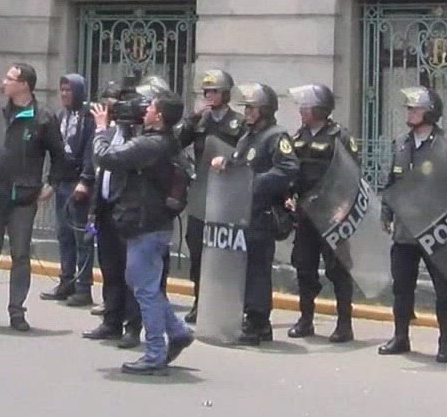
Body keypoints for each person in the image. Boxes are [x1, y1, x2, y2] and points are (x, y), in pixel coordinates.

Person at [91, 85, 195, 375]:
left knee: (146, 290)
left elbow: (107, 157)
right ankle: (178, 332)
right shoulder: (160, 141)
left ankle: (154, 353)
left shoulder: (152, 145)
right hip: (149, 223)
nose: (144, 111)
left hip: (146, 224)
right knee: (142, 283)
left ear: (159, 116)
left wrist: (101, 130)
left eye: (149, 107)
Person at [0, 62, 64, 332]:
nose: (4, 82)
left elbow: (59, 155)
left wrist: (52, 184)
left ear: (24, 84)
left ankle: (16, 310)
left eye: (10, 78)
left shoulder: (43, 116)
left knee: (21, 254)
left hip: (24, 195)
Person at [209, 82, 299, 346]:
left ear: (265, 110)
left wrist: (254, 183)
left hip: (261, 214)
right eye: (246, 107)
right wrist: (227, 165)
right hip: (241, 213)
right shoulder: (247, 136)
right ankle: (251, 319)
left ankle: (259, 322)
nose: (247, 112)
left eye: (252, 107)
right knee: (244, 269)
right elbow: (242, 165)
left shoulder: (276, 136)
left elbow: (288, 168)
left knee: (257, 270)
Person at [378, 85, 447, 362]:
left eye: (415, 109)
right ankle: (400, 336)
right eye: (409, 108)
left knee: (444, 289)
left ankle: (445, 343)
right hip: (405, 231)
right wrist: (386, 212)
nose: (409, 113)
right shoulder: (401, 143)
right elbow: (392, 182)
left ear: (431, 113)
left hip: (437, 231)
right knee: (401, 286)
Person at [285, 83, 359, 343]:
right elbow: (292, 171)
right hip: (306, 215)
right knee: (304, 267)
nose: (301, 110)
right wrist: (289, 196)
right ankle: (306, 320)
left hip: (331, 215)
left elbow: (352, 177)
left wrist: (343, 209)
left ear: (319, 109)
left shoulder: (340, 137)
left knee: (338, 270)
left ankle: (344, 324)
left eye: (306, 106)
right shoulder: (298, 136)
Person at [172, 68, 245, 323]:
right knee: (197, 248)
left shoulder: (239, 123)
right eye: (206, 92)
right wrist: (190, 121)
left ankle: (226, 303)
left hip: (228, 197)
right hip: (202, 194)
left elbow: (246, 156)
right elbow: (174, 144)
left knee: (226, 252)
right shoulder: (199, 121)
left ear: (226, 94)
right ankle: (199, 301)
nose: (209, 96)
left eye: (214, 91)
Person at [80, 83, 144, 349]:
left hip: (127, 212)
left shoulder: (137, 139)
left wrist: (100, 129)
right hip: (106, 209)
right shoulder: (111, 133)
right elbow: (98, 168)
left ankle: (132, 326)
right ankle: (111, 320)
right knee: (110, 269)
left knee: (130, 274)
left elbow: (108, 157)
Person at [40, 73, 96, 307]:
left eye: (69, 90)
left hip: (79, 183)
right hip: (62, 183)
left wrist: (86, 180)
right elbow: (56, 154)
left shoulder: (88, 118)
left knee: (81, 237)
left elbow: (92, 151)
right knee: (64, 234)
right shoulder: (61, 116)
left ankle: (83, 287)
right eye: (62, 90)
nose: (64, 94)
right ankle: (66, 281)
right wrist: (52, 183)